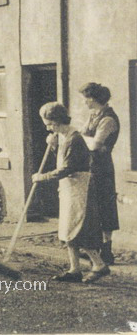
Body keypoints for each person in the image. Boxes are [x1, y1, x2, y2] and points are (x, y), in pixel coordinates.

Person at [33, 102, 109, 283]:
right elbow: (61, 161)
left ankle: (99, 265)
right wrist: (53, 146)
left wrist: (42, 177)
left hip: (79, 188)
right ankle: (75, 269)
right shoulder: (62, 137)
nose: (47, 127)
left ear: (58, 121)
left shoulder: (75, 139)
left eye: (49, 124)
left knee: (76, 228)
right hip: (68, 187)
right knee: (67, 228)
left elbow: (67, 167)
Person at [79, 82, 120, 265]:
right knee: (91, 206)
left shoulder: (108, 119)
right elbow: (85, 138)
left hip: (102, 168)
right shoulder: (94, 116)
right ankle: (93, 248)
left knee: (105, 206)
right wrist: (87, 140)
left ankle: (107, 251)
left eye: (86, 98)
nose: (85, 102)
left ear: (94, 99)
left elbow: (95, 145)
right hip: (91, 165)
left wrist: (85, 140)